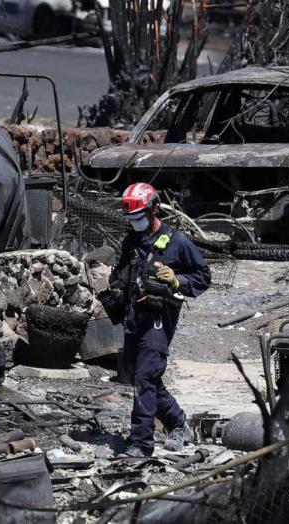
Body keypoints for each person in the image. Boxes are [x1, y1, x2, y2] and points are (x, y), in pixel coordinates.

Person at [108, 182, 211, 457]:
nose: (134, 222)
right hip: (133, 317)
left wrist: (178, 280)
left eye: (138, 217)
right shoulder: (132, 240)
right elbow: (121, 272)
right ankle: (178, 423)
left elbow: (204, 276)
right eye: (130, 218)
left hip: (158, 321)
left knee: (144, 376)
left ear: (154, 209)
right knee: (139, 374)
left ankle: (141, 443)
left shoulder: (177, 241)